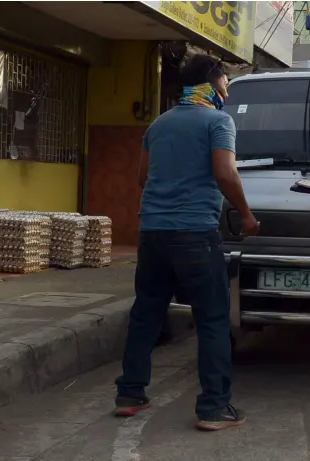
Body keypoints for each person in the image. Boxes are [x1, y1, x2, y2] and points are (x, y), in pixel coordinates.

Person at [114, 54, 259, 431]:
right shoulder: (218, 121)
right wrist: (245, 214)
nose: (226, 90)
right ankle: (213, 407)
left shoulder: (159, 123)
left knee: (146, 312)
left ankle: (130, 393)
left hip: (152, 233)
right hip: (195, 233)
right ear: (211, 82)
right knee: (212, 318)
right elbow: (225, 174)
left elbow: (143, 177)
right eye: (226, 82)